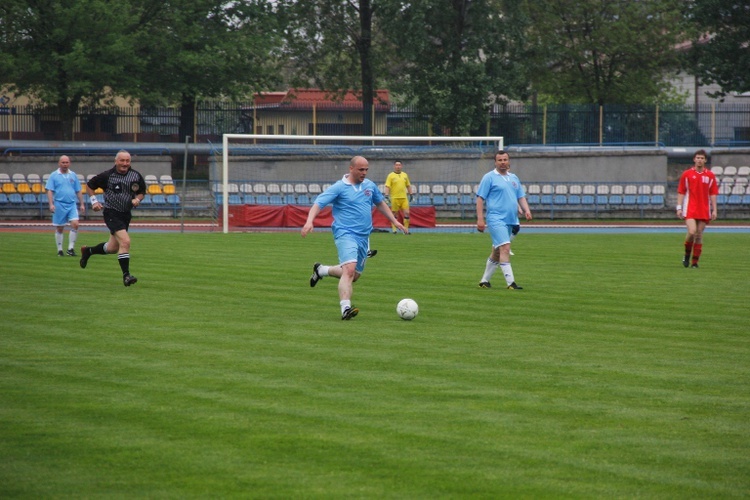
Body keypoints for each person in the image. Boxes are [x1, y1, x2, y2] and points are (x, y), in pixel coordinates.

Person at [302, 156, 407, 320]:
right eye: (361, 170)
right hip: (345, 233)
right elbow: (318, 203)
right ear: (351, 169)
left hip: (364, 236)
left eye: (366, 170)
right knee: (349, 270)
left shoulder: (369, 186)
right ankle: (345, 309)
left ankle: (321, 270)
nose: (364, 173)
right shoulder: (339, 187)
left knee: (354, 275)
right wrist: (309, 221)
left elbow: (380, 203)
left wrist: (394, 221)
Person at [79, 150, 146, 286]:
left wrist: (137, 199)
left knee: (112, 248)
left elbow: (142, 192)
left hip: (125, 214)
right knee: (125, 242)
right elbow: (89, 186)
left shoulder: (135, 175)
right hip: (111, 213)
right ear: (116, 161)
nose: (125, 163)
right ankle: (126, 276)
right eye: (122, 160)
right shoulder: (107, 176)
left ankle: (88, 251)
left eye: (127, 161)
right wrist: (94, 201)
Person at [476, 150, 532, 290]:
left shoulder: (514, 178)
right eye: (500, 160)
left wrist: (526, 210)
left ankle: (484, 281)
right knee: (505, 248)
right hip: (496, 218)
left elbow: (520, 196)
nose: (503, 162)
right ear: (495, 162)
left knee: (497, 251)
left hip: (510, 219)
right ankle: (511, 283)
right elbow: (480, 198)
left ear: (509, 161)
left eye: (505, 159)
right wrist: (480, 219)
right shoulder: (489, 177)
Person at [676, 149, 718, 268]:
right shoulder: (687, 174)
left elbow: (713, 193)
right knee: (692, 231)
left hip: (704, 209)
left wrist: (714, 210)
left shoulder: (710, 175)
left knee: (699, 235)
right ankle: (687, 255)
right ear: (694, 159)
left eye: (702, 158)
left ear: (705, 160)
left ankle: (695, 263)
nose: (699, 160)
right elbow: (681, 191)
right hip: (690, 208)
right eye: (698, 158)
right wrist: (679, 207)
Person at [45, 155, 85, 256]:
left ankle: (70, 249)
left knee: (75, 224)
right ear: (59, 163)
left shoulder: (73, 175)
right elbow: (49, 190)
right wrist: (51, 204)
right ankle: (60, 250)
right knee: (60, 228)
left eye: (67, 162)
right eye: (63, 162)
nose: (65, 164)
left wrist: (82, 204)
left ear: (69, 163)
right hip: (59, 204)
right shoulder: (54, 175)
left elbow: (78, 190)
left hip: (72, 204)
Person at [384, 160, 414, 234]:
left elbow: (408, 185)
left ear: (401, 166)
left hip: (404, 198)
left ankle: (406, 230)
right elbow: (387, 186)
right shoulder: (390, 175)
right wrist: (386, 196)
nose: (398, 166)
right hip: (394, 198)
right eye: (396, 165)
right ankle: (394, 230)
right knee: (394, 214)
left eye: (399, 165)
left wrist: (411, 194)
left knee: (407, 213)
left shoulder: (405, 175)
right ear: (394, 166)